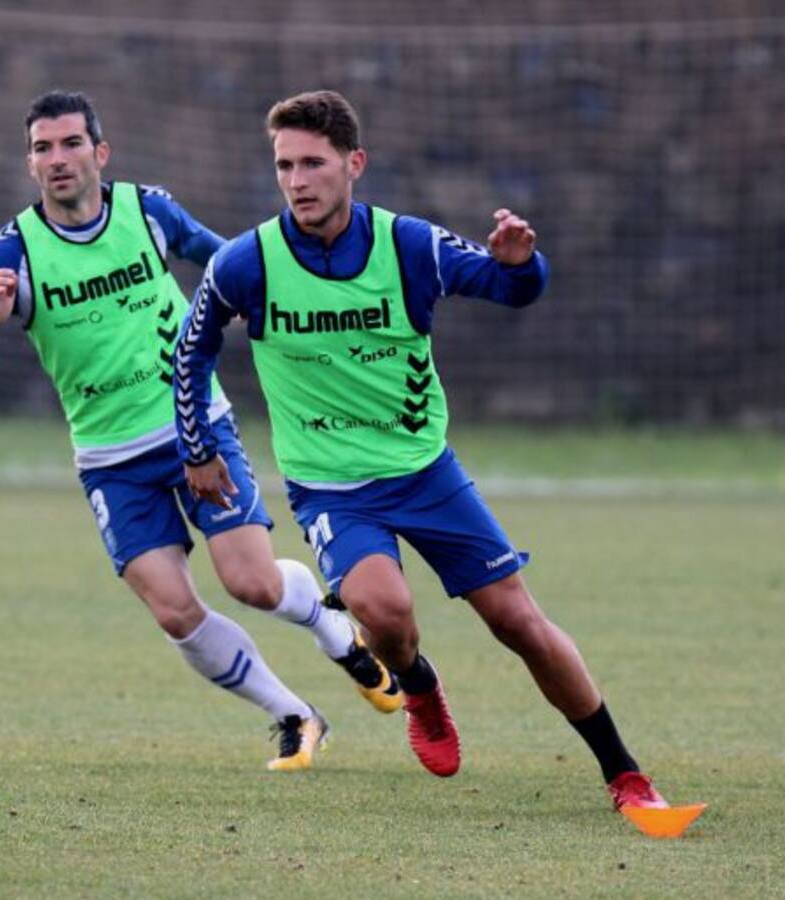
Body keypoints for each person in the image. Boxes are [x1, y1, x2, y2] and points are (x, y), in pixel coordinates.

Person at [173, 89, 667, 809]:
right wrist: (197, 449)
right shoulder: (248, 262)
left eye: (313, 162)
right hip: (332, 488)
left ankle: (626, 775)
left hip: (426, 473)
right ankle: (420, 687)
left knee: (517, 622)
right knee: (386, 611)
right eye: (285, 165)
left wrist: (521, 265)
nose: (297, 180)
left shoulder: (411, 245)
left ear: (355, 164)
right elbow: (191, 353)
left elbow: (514, 288)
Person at [0, 90, 403, 771]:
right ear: (30, 163)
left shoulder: (147, 211)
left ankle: (333, 627)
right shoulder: (15, 252)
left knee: (253, 585)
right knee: (175, 612)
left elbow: (229, 266)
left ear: (100, 153)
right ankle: (295, 716)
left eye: (71, 144)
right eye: (43, 148)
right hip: (109, 461)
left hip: (193, 429)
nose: (58, 159)